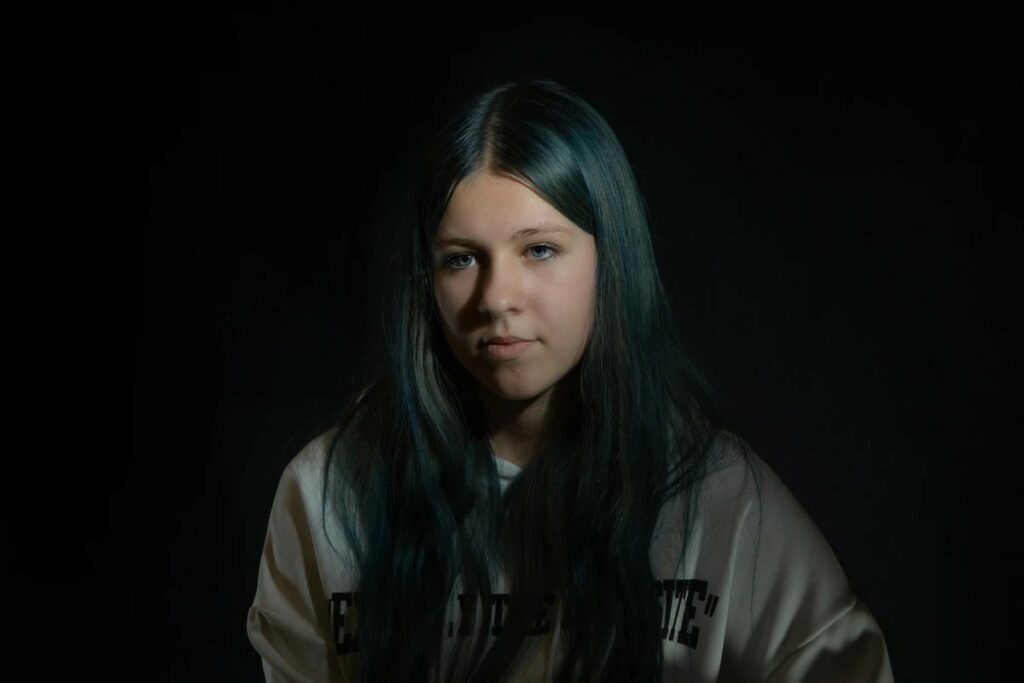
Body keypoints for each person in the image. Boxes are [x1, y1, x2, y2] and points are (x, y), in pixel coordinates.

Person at [246, 78, 895, 682]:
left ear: (610, 261)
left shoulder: (722, 500)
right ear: (427, 281)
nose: (496, 297)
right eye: (462, 259)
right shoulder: (328, 495)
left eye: (540, 249)